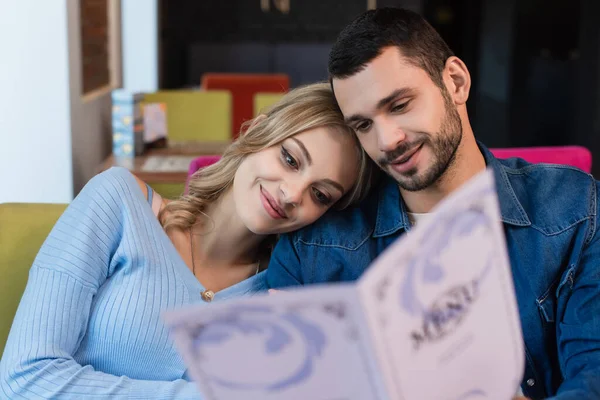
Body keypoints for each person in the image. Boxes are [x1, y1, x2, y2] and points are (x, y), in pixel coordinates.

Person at [267, 8, 600, 400]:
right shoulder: (313, 247)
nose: (387, 141)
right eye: (363, 125)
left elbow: (593, 376)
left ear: (455, 82)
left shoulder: (574, 209)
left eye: (399, 105)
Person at [0, 82, 376, 399]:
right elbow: (23, 378)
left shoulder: (278, 298)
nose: (293, 194)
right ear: (254, 133)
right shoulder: (119, 202)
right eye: (290, 160)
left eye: (321, 195)